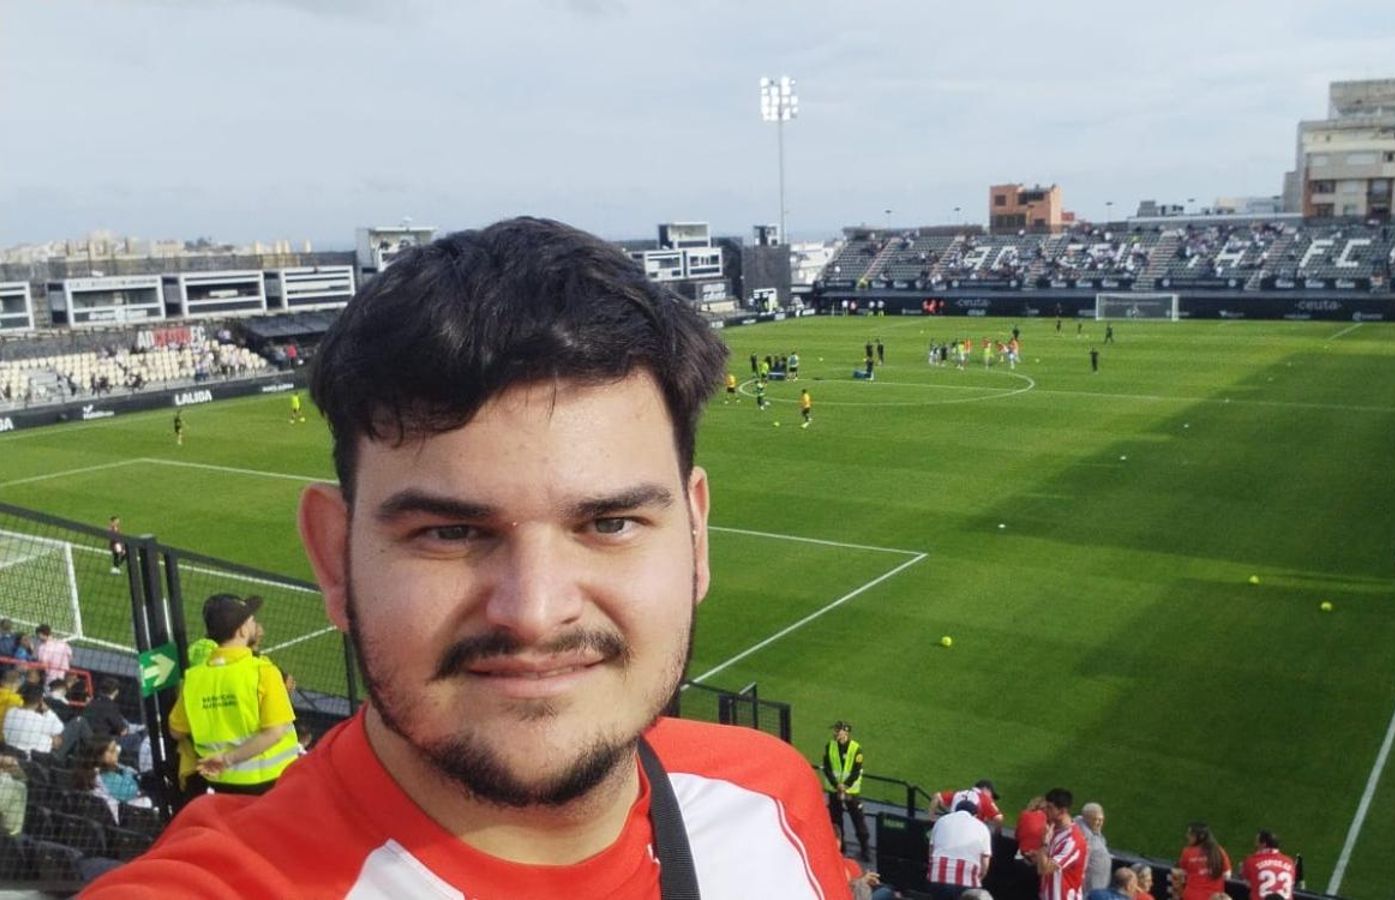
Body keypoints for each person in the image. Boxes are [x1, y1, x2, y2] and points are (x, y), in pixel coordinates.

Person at [89, 217, 851, 898]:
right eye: (450, 533)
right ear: (333, 557)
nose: (534, 609)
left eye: (612, 522)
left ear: (695, 537)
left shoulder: (769, 794)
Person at [167, 593, 298, 795]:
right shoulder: (263, 671)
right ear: (242, 630)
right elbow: (274, 733)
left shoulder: (194, 678)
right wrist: (228, 759)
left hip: (221, 784)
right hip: (273, 782)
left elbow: (176, 730)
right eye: (252, 621)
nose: (255, 625)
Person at [823, 721, 870, 859]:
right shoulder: (830, 746)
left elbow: (856, 771)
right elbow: (827, 768)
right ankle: (841, 849)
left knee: (858, 820)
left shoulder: (856, 749)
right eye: (835, 731)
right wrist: (836, 785)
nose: (835, 733)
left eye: (838, 731)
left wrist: (845, 786)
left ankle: (865, 851)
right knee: (836, 821)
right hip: (834, 790)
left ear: (846, 732)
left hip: (851, 792)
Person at [927, 799, 991, 899]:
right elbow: (985, 863)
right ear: (975, 815)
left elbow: (931, 851)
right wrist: (979, 878)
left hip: (938, 875)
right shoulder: (982, 827)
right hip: (967, 880)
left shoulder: (941, 820)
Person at [1037, 787, 1086, 900]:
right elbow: (1041, 864)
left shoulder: (1072, 841)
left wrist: (1043, 843)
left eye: (1050, 808)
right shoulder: (1052, 829)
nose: (1045, 810)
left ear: (1062, 811)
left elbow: (1044, 869)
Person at [2, 682, 63, 755]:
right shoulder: (40, 719)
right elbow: (60, 728)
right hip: (32, 758)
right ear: (41, 700)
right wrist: (47, 710)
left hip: (10, 751)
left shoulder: (11, 712)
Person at [1176, 822, 1231, 900]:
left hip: (1192, 896)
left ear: (1201, 837)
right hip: (1214, 897)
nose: (1187, 836)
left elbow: (1182, 873)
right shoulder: (1219, 851)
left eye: (1191, 834)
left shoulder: (1187, 852)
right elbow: (1227, 875)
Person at [1240, 830, 1295, 900]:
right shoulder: (1289, 861)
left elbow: (1247, 884)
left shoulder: (1251, 861)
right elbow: (1292, 885)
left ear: (1263, 844)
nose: (1255, 844)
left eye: (1257, 841)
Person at [930, 779, 1005, 828]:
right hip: (969, 834)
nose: (991, 798)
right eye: (991, 794)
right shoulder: (984, 799)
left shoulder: (959, 793)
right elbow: (999, 818)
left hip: (950, 829)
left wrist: (931, 818)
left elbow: (937, 796)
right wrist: (998, 833)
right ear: (985, 789)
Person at [1076, 802, 1110, 892]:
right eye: (1096, 820)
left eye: (1101, 820)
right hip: (1088, 886)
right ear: (1086, 819)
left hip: (1099, 884)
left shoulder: (1094, 832)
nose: (1099, 823)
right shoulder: (1082, 836)